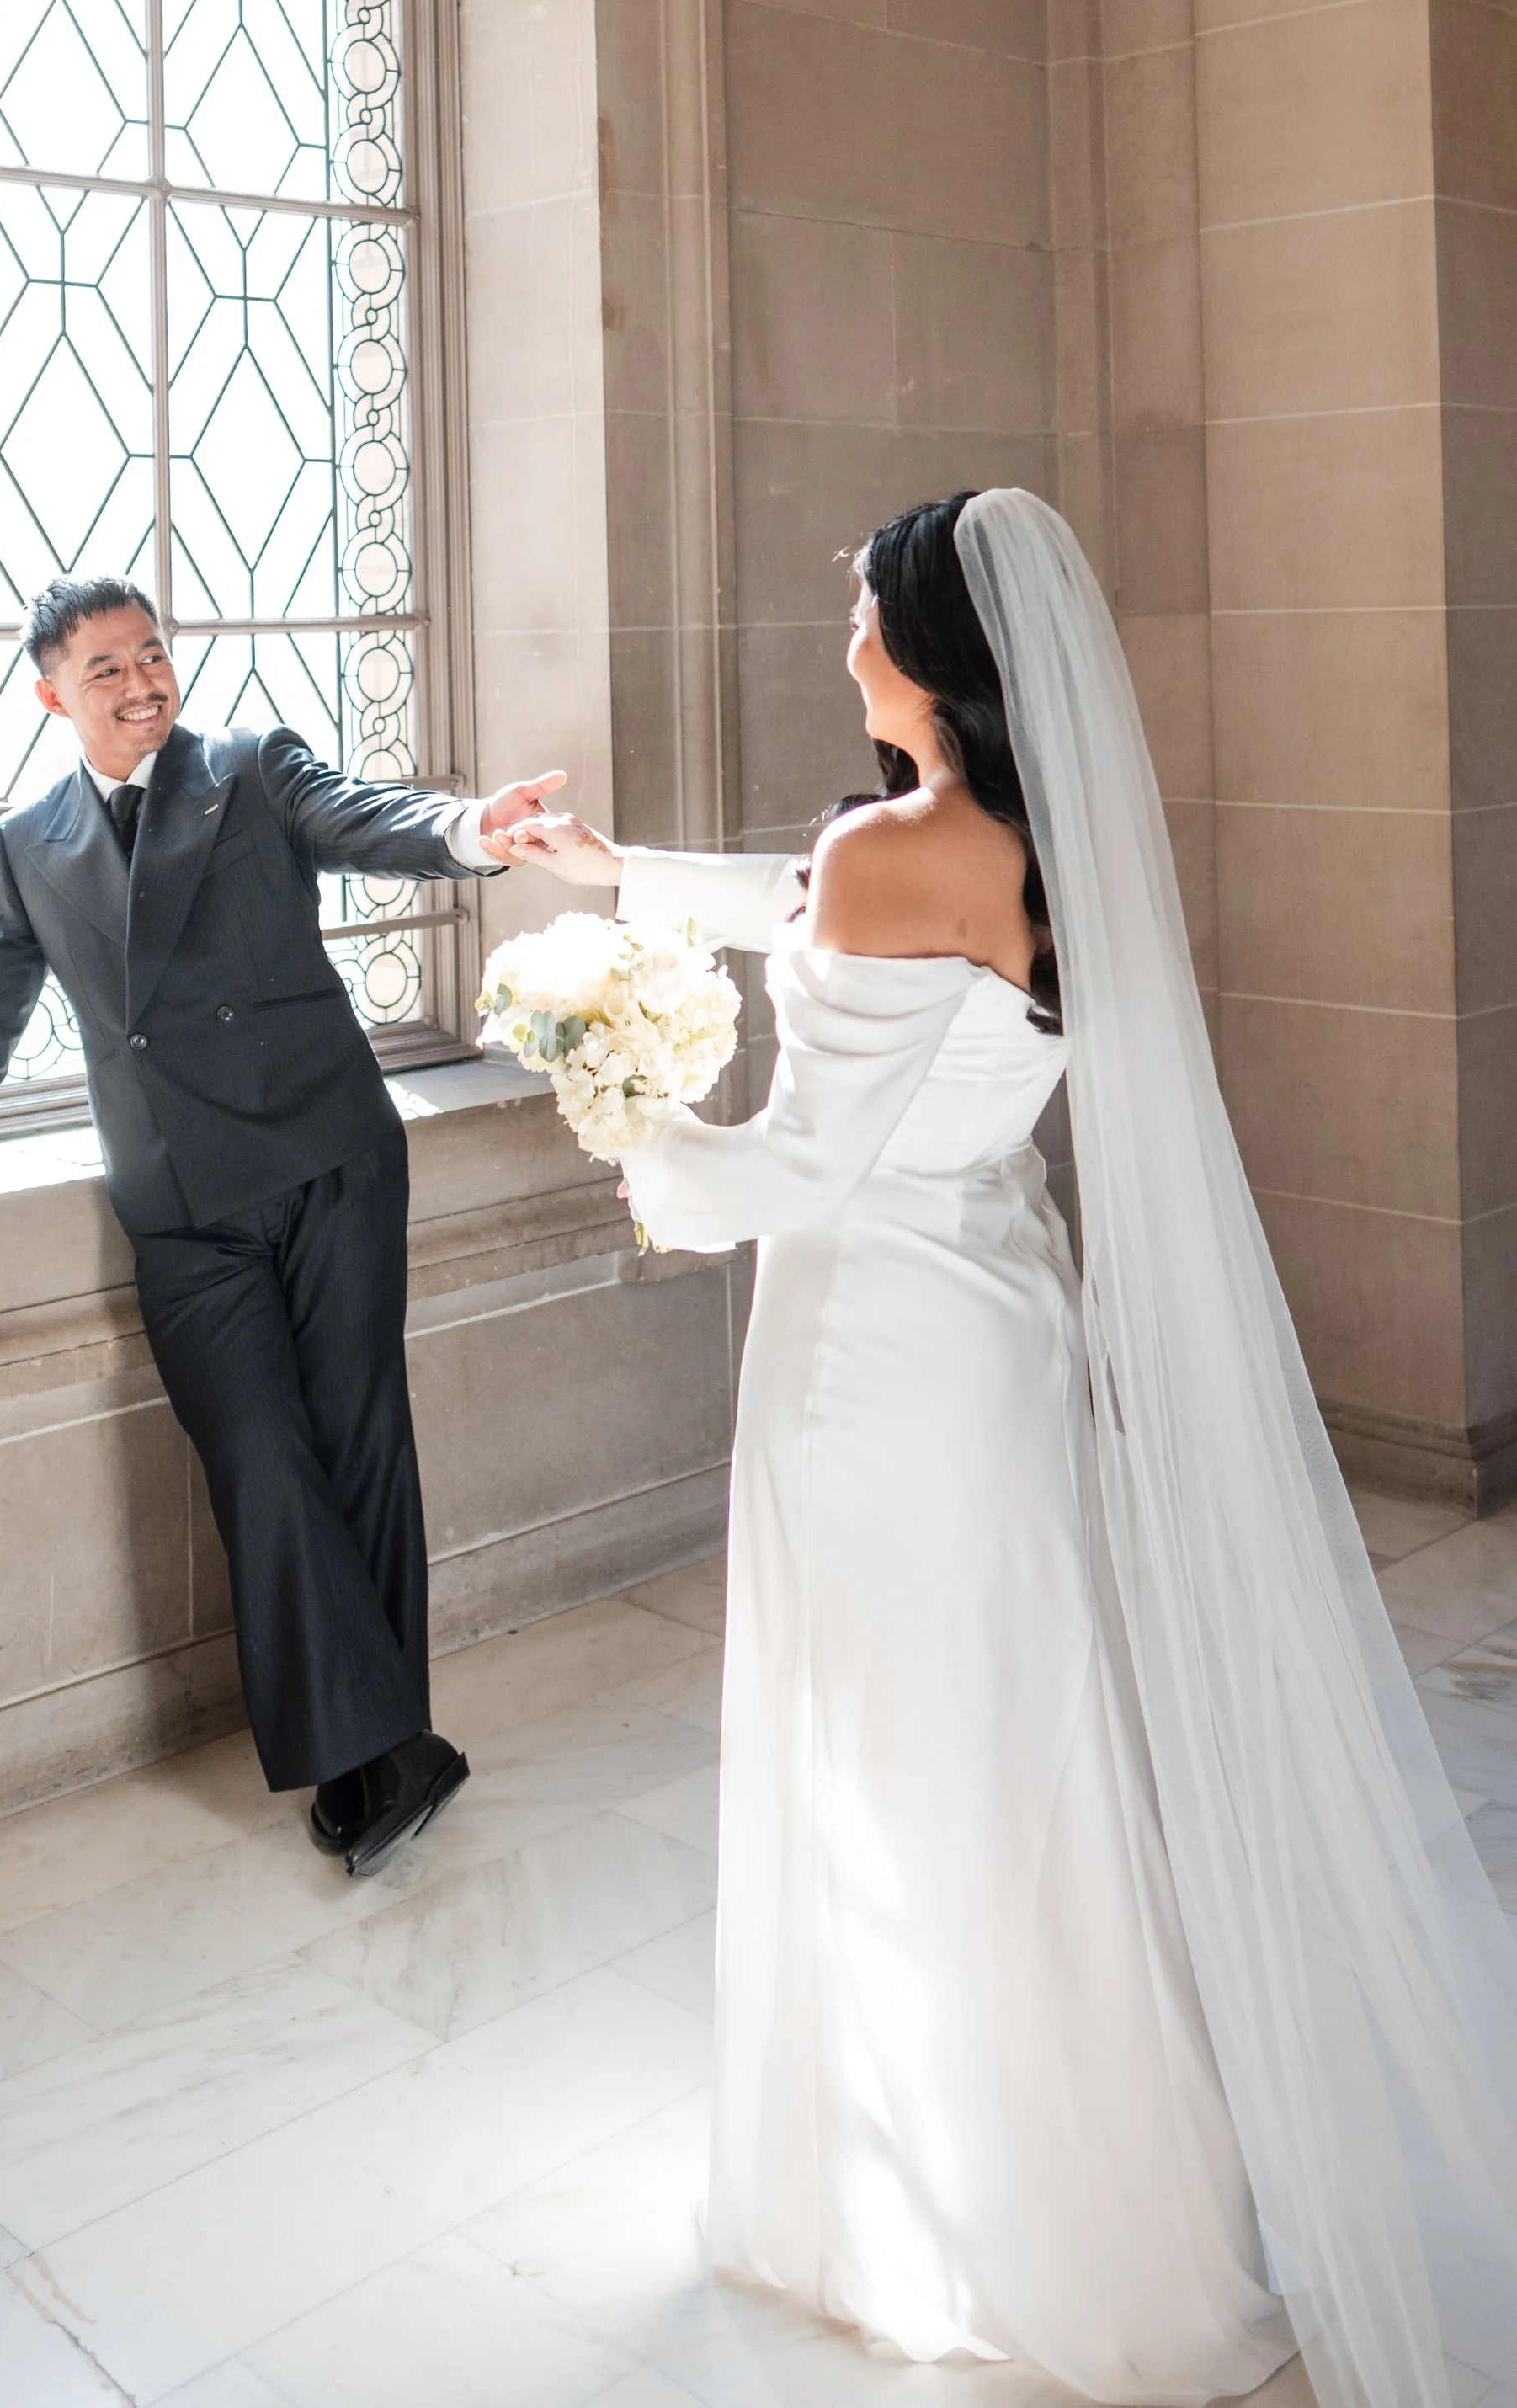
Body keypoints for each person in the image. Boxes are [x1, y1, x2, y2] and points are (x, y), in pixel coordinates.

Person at [509, 489, 1517, 2408]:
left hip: (868, 1369)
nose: (844, 649)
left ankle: (927, 2208)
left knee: (892, 1766)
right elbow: (809, 903)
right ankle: (1103, 2209)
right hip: (996, 1327)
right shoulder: (1037, 843)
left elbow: (792, 1164)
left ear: (935, 655)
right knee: (1018, 1759)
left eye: (864, 620)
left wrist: (620, 1118)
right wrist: (616, 875)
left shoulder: (890, 851)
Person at [0, 573, 561, 1879]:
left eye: (151, 655)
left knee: (358, 1436)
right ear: (51, 696)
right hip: (183, 1203)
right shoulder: (29, 845)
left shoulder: (248, 767)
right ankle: (384, 1743)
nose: (141, 684)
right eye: (106, 668)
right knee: (258, 1455)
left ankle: (382, 1750)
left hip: (328, 1155)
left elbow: (368, 818)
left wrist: (475, 827)